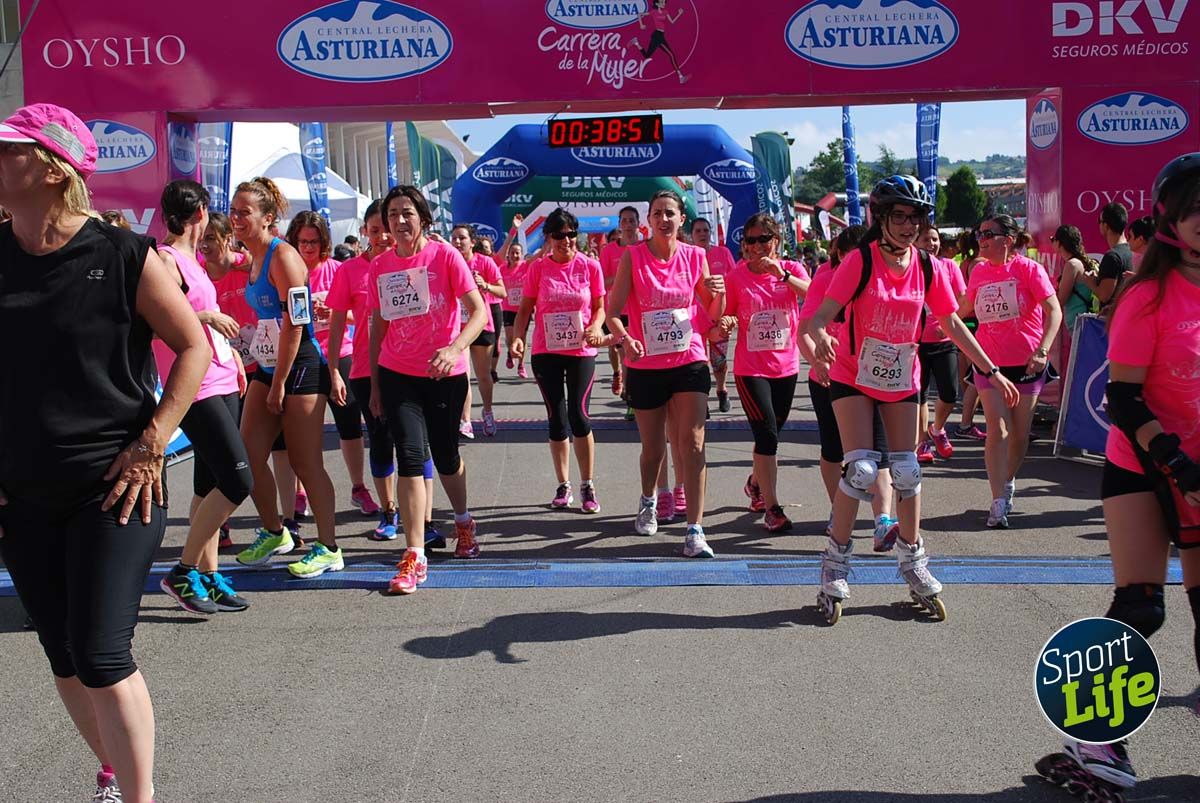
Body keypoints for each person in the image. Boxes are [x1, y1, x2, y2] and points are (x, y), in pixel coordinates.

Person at [0, 102, 211, 803]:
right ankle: (115, 766)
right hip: (22, 492)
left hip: (115, 488)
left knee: (100, 652)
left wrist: (152, 443)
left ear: (55, 169)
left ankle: (140, 796)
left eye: (10, 150)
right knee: (61, 652)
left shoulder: (125, 256)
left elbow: (193, 347)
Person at [1036, 152, 1200, 801]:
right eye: (1194, 209)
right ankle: (1092, 731)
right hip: (1142, 464)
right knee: (1143, 605)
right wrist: (1177, 464)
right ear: (1168, 219)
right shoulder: (1148, 297)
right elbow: (1126, 401)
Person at [806, 176, 1018, 624]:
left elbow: (955, 324)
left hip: (901, 376)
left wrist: (990, 369)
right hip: (853, 375)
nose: (907, 226)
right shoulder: (859, 262)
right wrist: (822, 338)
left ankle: (913, 560)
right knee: (862, 467)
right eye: (898, 216)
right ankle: (835, 564)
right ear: (881, 219)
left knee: (907, 468)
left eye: (915, 218)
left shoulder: (928, 266)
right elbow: (819, 316)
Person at [368, 185, 489, 594]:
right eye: (393, 215)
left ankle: (463, 521)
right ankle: (415, 554)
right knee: (412, 456)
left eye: (407, 213)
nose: (400, 222)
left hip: (444, 374)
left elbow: (479, 311)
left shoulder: (445, 256)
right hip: (397, 372)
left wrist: (455, 347)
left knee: (446, 455)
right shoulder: (379, 266)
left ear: (422, 217)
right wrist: (374, 383)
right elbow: (378, 326)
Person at [230, 177, 342, 578]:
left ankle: (328, 546)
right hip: (268, 363)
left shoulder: (284, 257)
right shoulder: (253, 256)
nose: (236, 219)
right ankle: (275, 531)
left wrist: (278, 382)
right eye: (233, 211)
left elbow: (297, 323)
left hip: (300, 365)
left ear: (267, 218)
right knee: (246, 456)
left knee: (304, 461)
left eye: (245, 212)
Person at [152, 180, 254, 615]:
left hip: (221, 377)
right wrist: (207, 313)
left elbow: (205, 328)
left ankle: (207, 576)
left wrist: (230, 358)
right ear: (200, 215)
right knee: (238, 480)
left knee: (210, 483)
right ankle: (183, 569)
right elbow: (156, 319)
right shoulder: (166, 259)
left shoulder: (193, 260)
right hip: (194, 385)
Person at [606, 189, 724, 558]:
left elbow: (712, 313)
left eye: (670, 213)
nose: (664, 220)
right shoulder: (633, 257)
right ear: (649, 220)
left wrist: (717, 293)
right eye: (657, 213)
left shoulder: (696, 256)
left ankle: (695, 529)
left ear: (681, 218)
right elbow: (612, 312)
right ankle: (648, 499)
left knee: (692, 442)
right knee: (653, 449)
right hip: (645, 363)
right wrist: (626, 340)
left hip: (689, 359)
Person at [326, 200, 444, 547]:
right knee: (380, 441)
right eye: (375, 230)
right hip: (366, 368)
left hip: (411, 368)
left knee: (417, 446)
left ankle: (424, 519)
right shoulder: (350, 271)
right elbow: (335, 324)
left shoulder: (411, 263)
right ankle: (389, 511)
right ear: (365, 231)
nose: (382, 236)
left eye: (386, 229)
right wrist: (334, 369)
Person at [201, 212, 303, 547]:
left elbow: (291, 308)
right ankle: (229, 522)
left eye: (212, 239)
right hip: (223, 373)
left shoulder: (252, 264)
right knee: (233, 452)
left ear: (226, 240)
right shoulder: (196, 275)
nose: (206, 246)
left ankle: (289, 520)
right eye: (202, 240)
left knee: (283, 449)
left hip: (263, 365)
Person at [958, 214, 1063, 529]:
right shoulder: (978, 271)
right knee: (997, 429)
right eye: (979, 233)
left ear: (1009, 238)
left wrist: (1043, 351)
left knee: (1019, 434)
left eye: (989, 233)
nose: (982, 239)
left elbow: (1054, 310)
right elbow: (964, 308)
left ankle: (1007, 482)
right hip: (989, 363)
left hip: (1027, 362)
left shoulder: (1029, 269)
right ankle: (998, 500)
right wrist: (940, 321)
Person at [800, 225, 900, 545]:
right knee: (835, 451)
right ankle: (837, 509)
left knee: (879, 454)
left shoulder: (881, 277)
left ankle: (883, 520)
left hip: (873, 378)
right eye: (848, 255)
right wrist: (817, 358)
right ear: (838, 255)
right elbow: (806, 326)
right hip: (830, 377)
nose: (856, 261)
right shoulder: (825, 279)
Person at [510, 208, 607, 512]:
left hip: (580, 351)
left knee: (579, 416)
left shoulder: (590, 266)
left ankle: (587, 484)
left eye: (570, 234)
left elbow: (601, 306)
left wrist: (595, 325)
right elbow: (525, 308)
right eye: (558, 235)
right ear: (549, 238)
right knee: (556, 418)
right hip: (546, 351)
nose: (566, 240)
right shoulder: (537, 269)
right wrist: (517, 338)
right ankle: (563, 484)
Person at [717, 213, 809, 532]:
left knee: (771, 436)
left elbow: (813, 296)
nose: (756, 246)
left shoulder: (793, 270)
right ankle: (773, 508)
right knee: (767, 435)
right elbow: (725, 316)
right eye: (750, 240)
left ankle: (756, 483)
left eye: (762, 239)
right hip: (750, 369)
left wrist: (781, 274)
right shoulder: (737, 276)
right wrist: (727, 323)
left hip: (786, 366)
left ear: (776, 241)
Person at [286, 210, 381, 516]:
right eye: (302, 241)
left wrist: (334, 315)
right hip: (304, 356)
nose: (308, 247)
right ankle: (300, 493)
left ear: (324, 242)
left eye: (314, 241)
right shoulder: (288, 270)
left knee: (350, 425)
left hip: (341, 354)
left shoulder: (337, 269)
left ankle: (358, 487)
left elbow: (359, 313)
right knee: (305, 433)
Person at [915, 221, 967, 464]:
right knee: (920, 395)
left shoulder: (949, 266)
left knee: (949, 392)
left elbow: (963, 299)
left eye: (934, 239)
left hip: (945, 340)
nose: (932, 244)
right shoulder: (909, 267)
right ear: (915, 243)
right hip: (915, 343)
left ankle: (937, 429)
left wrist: (950, 322)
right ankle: (922, 440)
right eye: (926, 239)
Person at [451, 223, 505, 438]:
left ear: (472, 242)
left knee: (483, 376)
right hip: (458, 327)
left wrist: (485, 286)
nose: (457, 242)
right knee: (463, 375)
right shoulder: (448, 262)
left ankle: (488, 411)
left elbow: (503, 292)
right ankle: (465, 420)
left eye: (462, 238)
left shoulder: (485, 262)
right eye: (453, 238)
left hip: (482, 324)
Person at [600, 205, 642, 419]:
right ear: (619, 224)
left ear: (638, 223)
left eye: (631, 220)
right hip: (616, 311)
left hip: (641, 310)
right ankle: (627, 390)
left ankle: (632, 395)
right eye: (624, 221)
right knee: (623, 354)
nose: (627, 224)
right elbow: (602, 282)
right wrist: (623, 277)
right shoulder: (609, 251)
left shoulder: (646, 247)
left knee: (634, 356)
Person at [692, 217, 737, 413]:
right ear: (691, 235)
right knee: (699, 361)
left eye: (705, 230)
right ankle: (703, 398)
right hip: (695, 319)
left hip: (720, 315)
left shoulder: (722, 252)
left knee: (718, 360)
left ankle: (722, 390)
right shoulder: (689, 255)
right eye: (698, 231)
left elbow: (734, 280)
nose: (702, 234)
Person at [954, 229, 988, 440]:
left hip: (966, 318)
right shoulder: (981, 265)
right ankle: (966, 423)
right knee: (977, 374)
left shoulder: (965, 263)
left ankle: (967, 418)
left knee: (969, 372)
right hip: (975, 318)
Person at [1052, 224, 1098, 373]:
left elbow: (1061, 300)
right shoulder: (1081, 262)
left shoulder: (1072, 264)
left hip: (1080, 326)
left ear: (1059, 243)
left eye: (1053, 239)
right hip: (1083, 324)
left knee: (1083, 370)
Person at [1081, 201, 1133, 311]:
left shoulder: (1112, 256)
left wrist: (1091, 283)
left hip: (1113, 320)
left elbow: (1105, 296)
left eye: (1099, 222)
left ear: (1106, 225)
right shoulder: (1132, 251)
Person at [626, 0, 690, 84]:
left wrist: (679, 14)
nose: (664, 4)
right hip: (657, 36)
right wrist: (641, 24)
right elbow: (639, 14)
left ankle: (636, 42)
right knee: (671, 54)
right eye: (662, 2)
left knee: (647, 55)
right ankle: (680, 77)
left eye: (664, 2)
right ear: (657, 3)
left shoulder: (665, 12)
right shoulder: (654, 12)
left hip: (660, 35)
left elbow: (672, 22)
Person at [498, 238, 530, 379]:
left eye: (517, 253)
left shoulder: (525, 266)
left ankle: (521, 365)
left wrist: (547, 246)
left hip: (523, 308)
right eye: (512, 253)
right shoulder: (502, 269)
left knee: (522, 337)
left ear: (521, 254)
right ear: (508, 254)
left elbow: (537, 257)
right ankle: (510, 353)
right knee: (511, 337)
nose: (515, 255)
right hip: (508, 308)